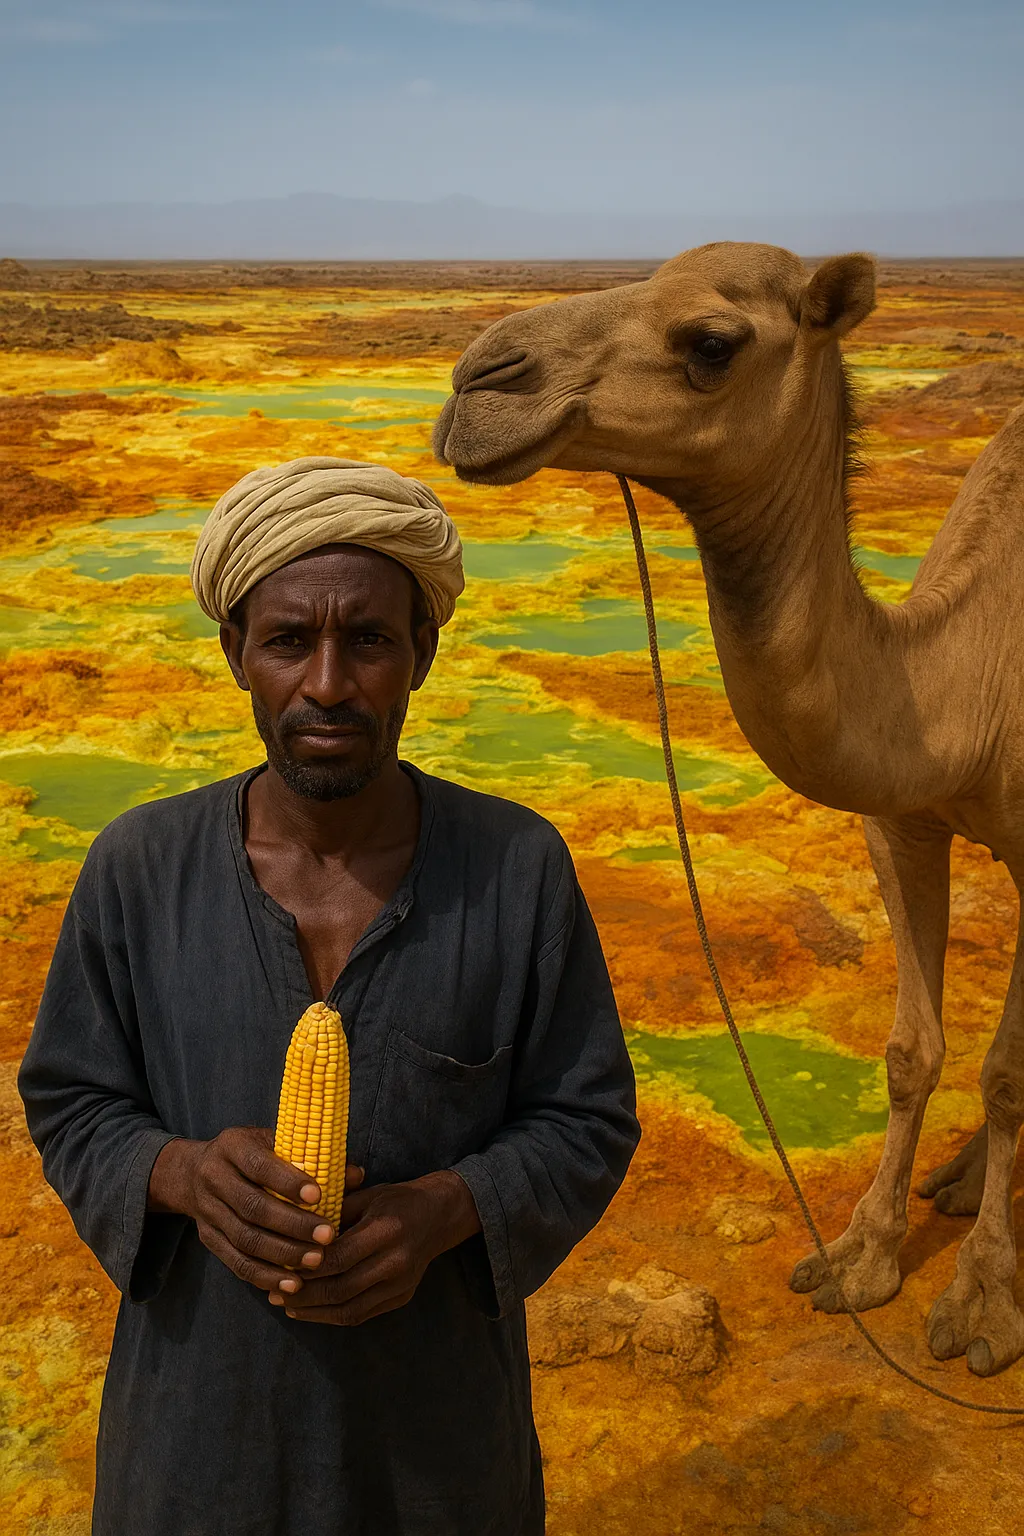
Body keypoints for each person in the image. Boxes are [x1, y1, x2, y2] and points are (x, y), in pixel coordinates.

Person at [18, 456, 642, 1536]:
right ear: (235, 656)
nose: (326, 684)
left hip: (437, 1454)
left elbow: (587, 1118)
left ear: (421, 658)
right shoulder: (138, 868)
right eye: (286, 640)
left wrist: (447, 1209)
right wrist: (178, 1173)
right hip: (196, 1449)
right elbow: (72, 1100)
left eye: (367, 640)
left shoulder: (515, 868)